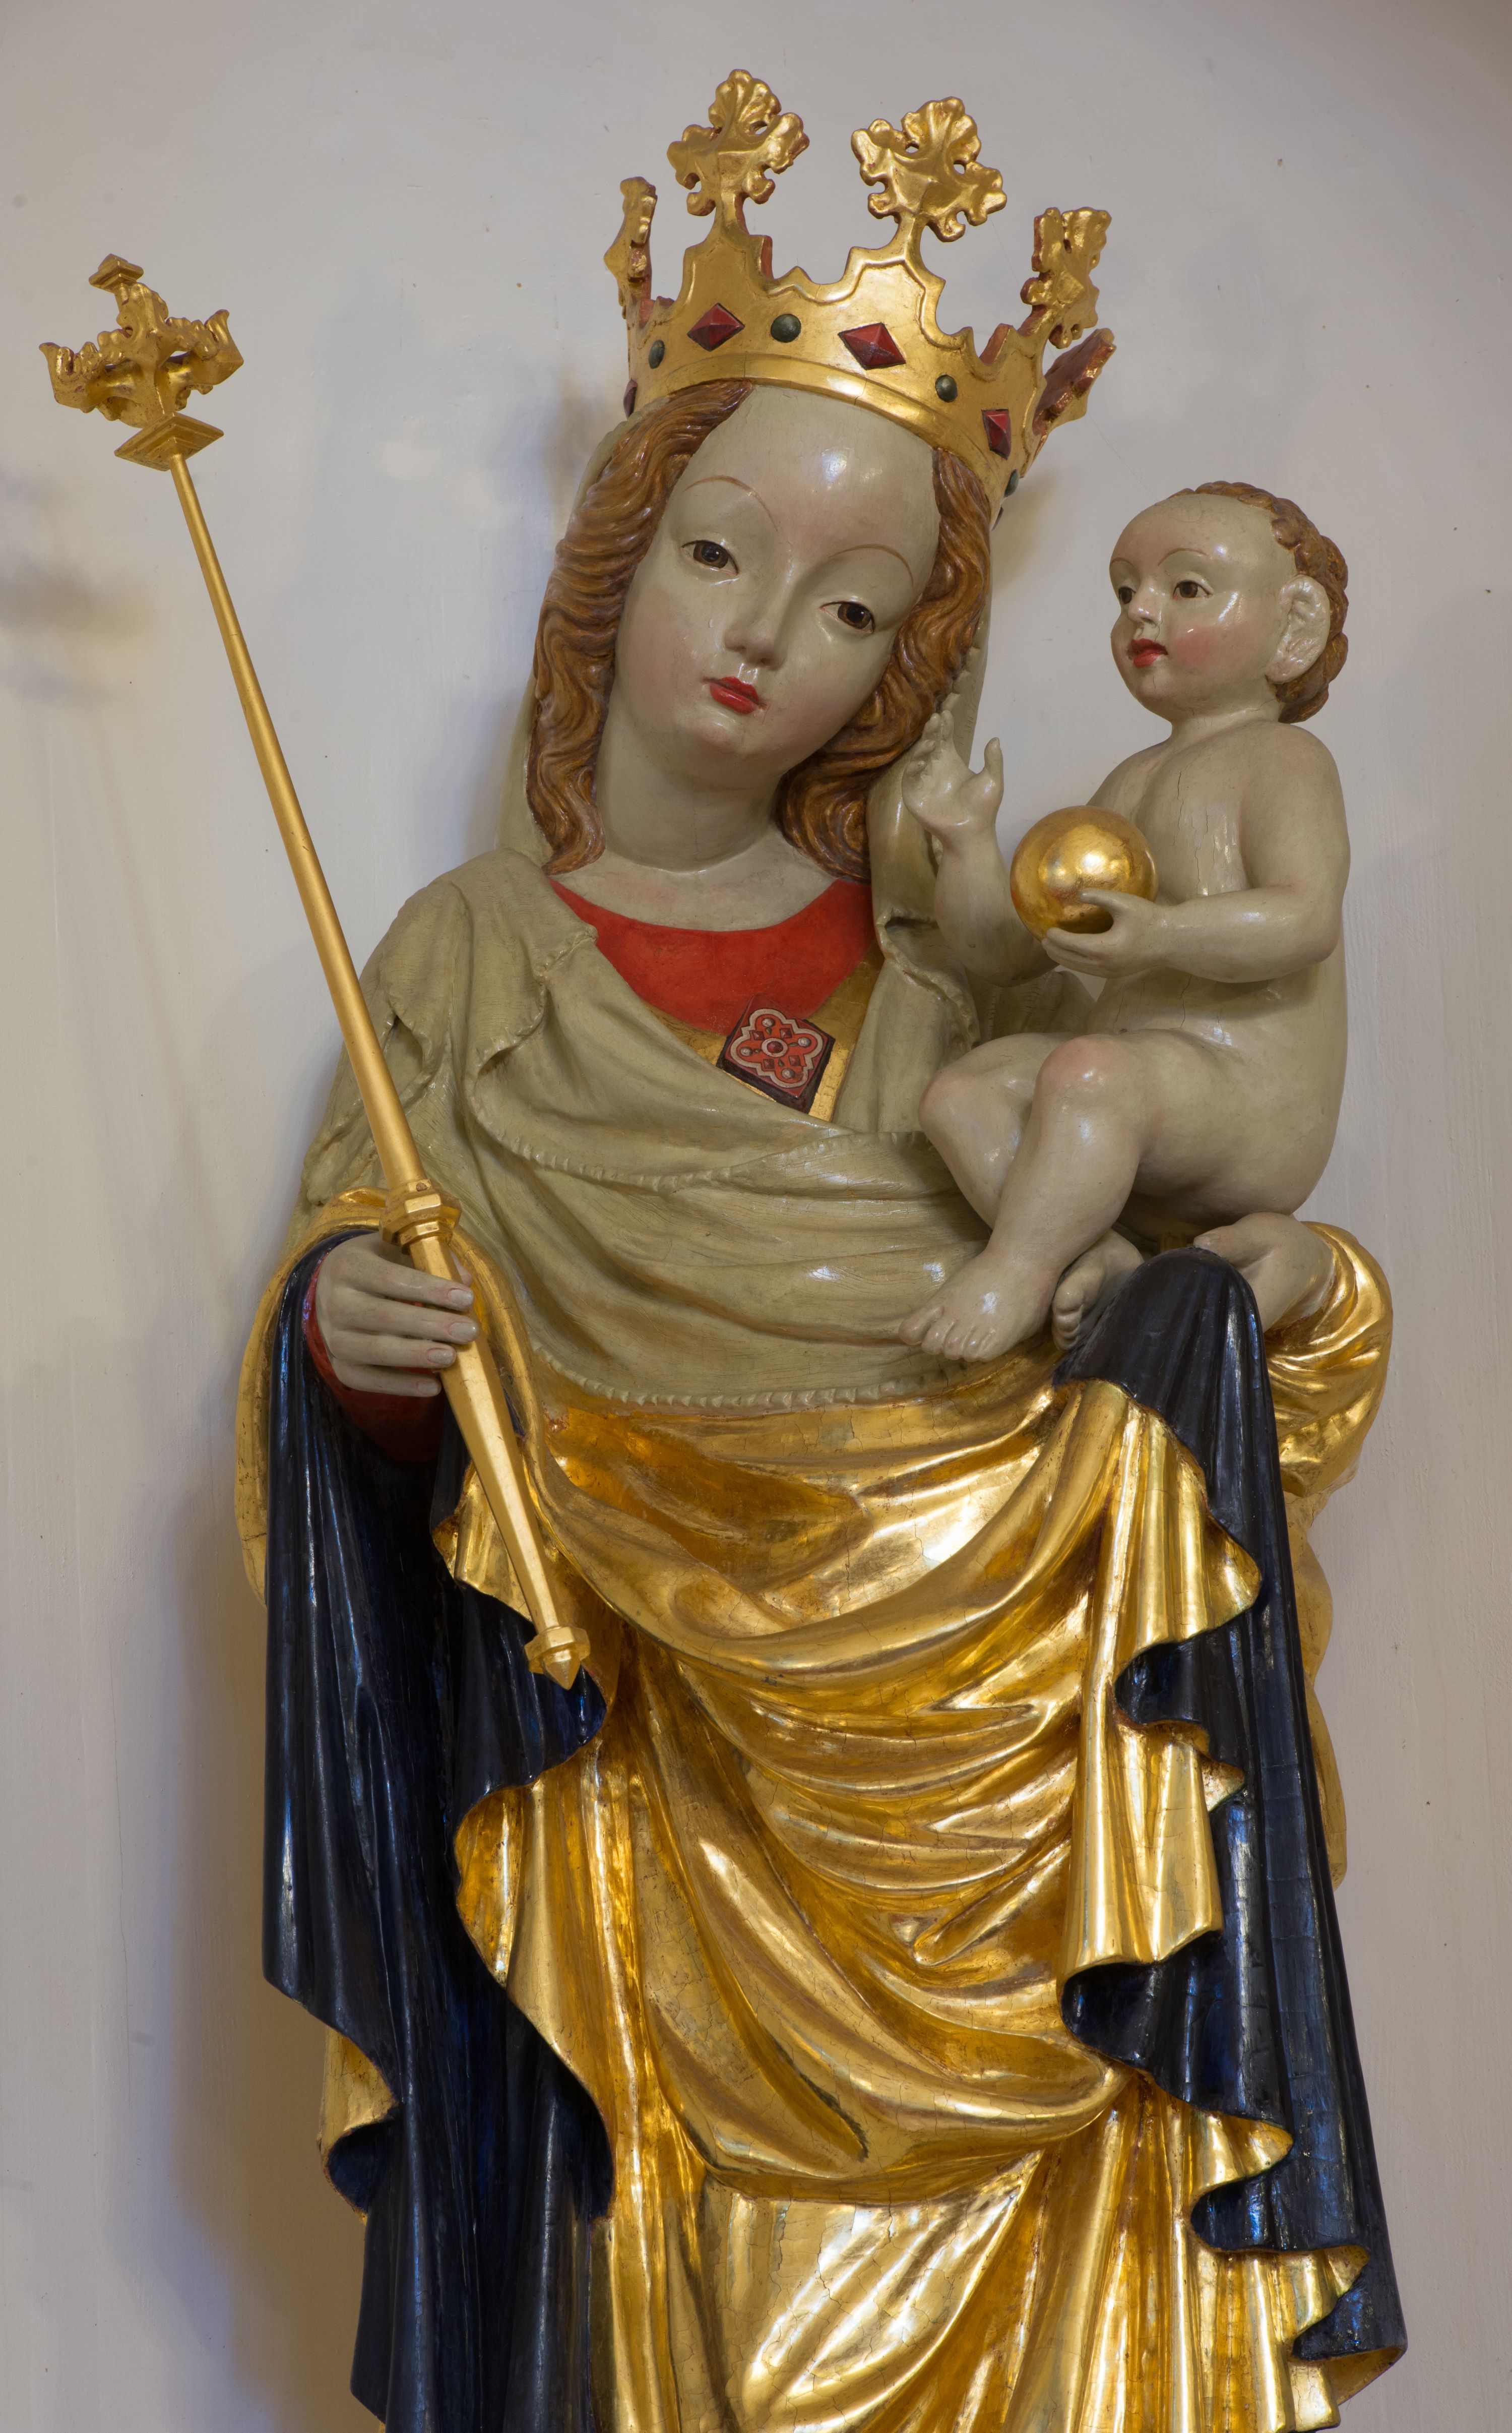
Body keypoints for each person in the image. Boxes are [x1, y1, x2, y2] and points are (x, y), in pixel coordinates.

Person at [237, 79, 1404, 2433]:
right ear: (617, 562)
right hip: (651, 1773)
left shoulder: (953, 980)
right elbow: (372, 1322)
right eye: (719, 553)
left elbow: (1152, 1292)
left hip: (1011, 1786)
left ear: (910, 667)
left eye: (857, 605)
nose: (771, 633)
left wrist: (1287, 1298)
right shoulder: (472, 955)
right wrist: (351, 1336)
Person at [898, 482, 1351, 1362]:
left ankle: (1016, 1272)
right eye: (1125, 590)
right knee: (962, 1095)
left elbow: (1305, 917)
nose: (1141, 610)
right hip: (1130, 1085)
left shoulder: (1286, 760)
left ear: (1293, 627)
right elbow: (1010, 954)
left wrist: (1165, 936)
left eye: (1186, 588)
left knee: (1089, 1073)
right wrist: (966, 843)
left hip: (1247, 1096)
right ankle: (1095, 1250)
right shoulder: (1128, 782)